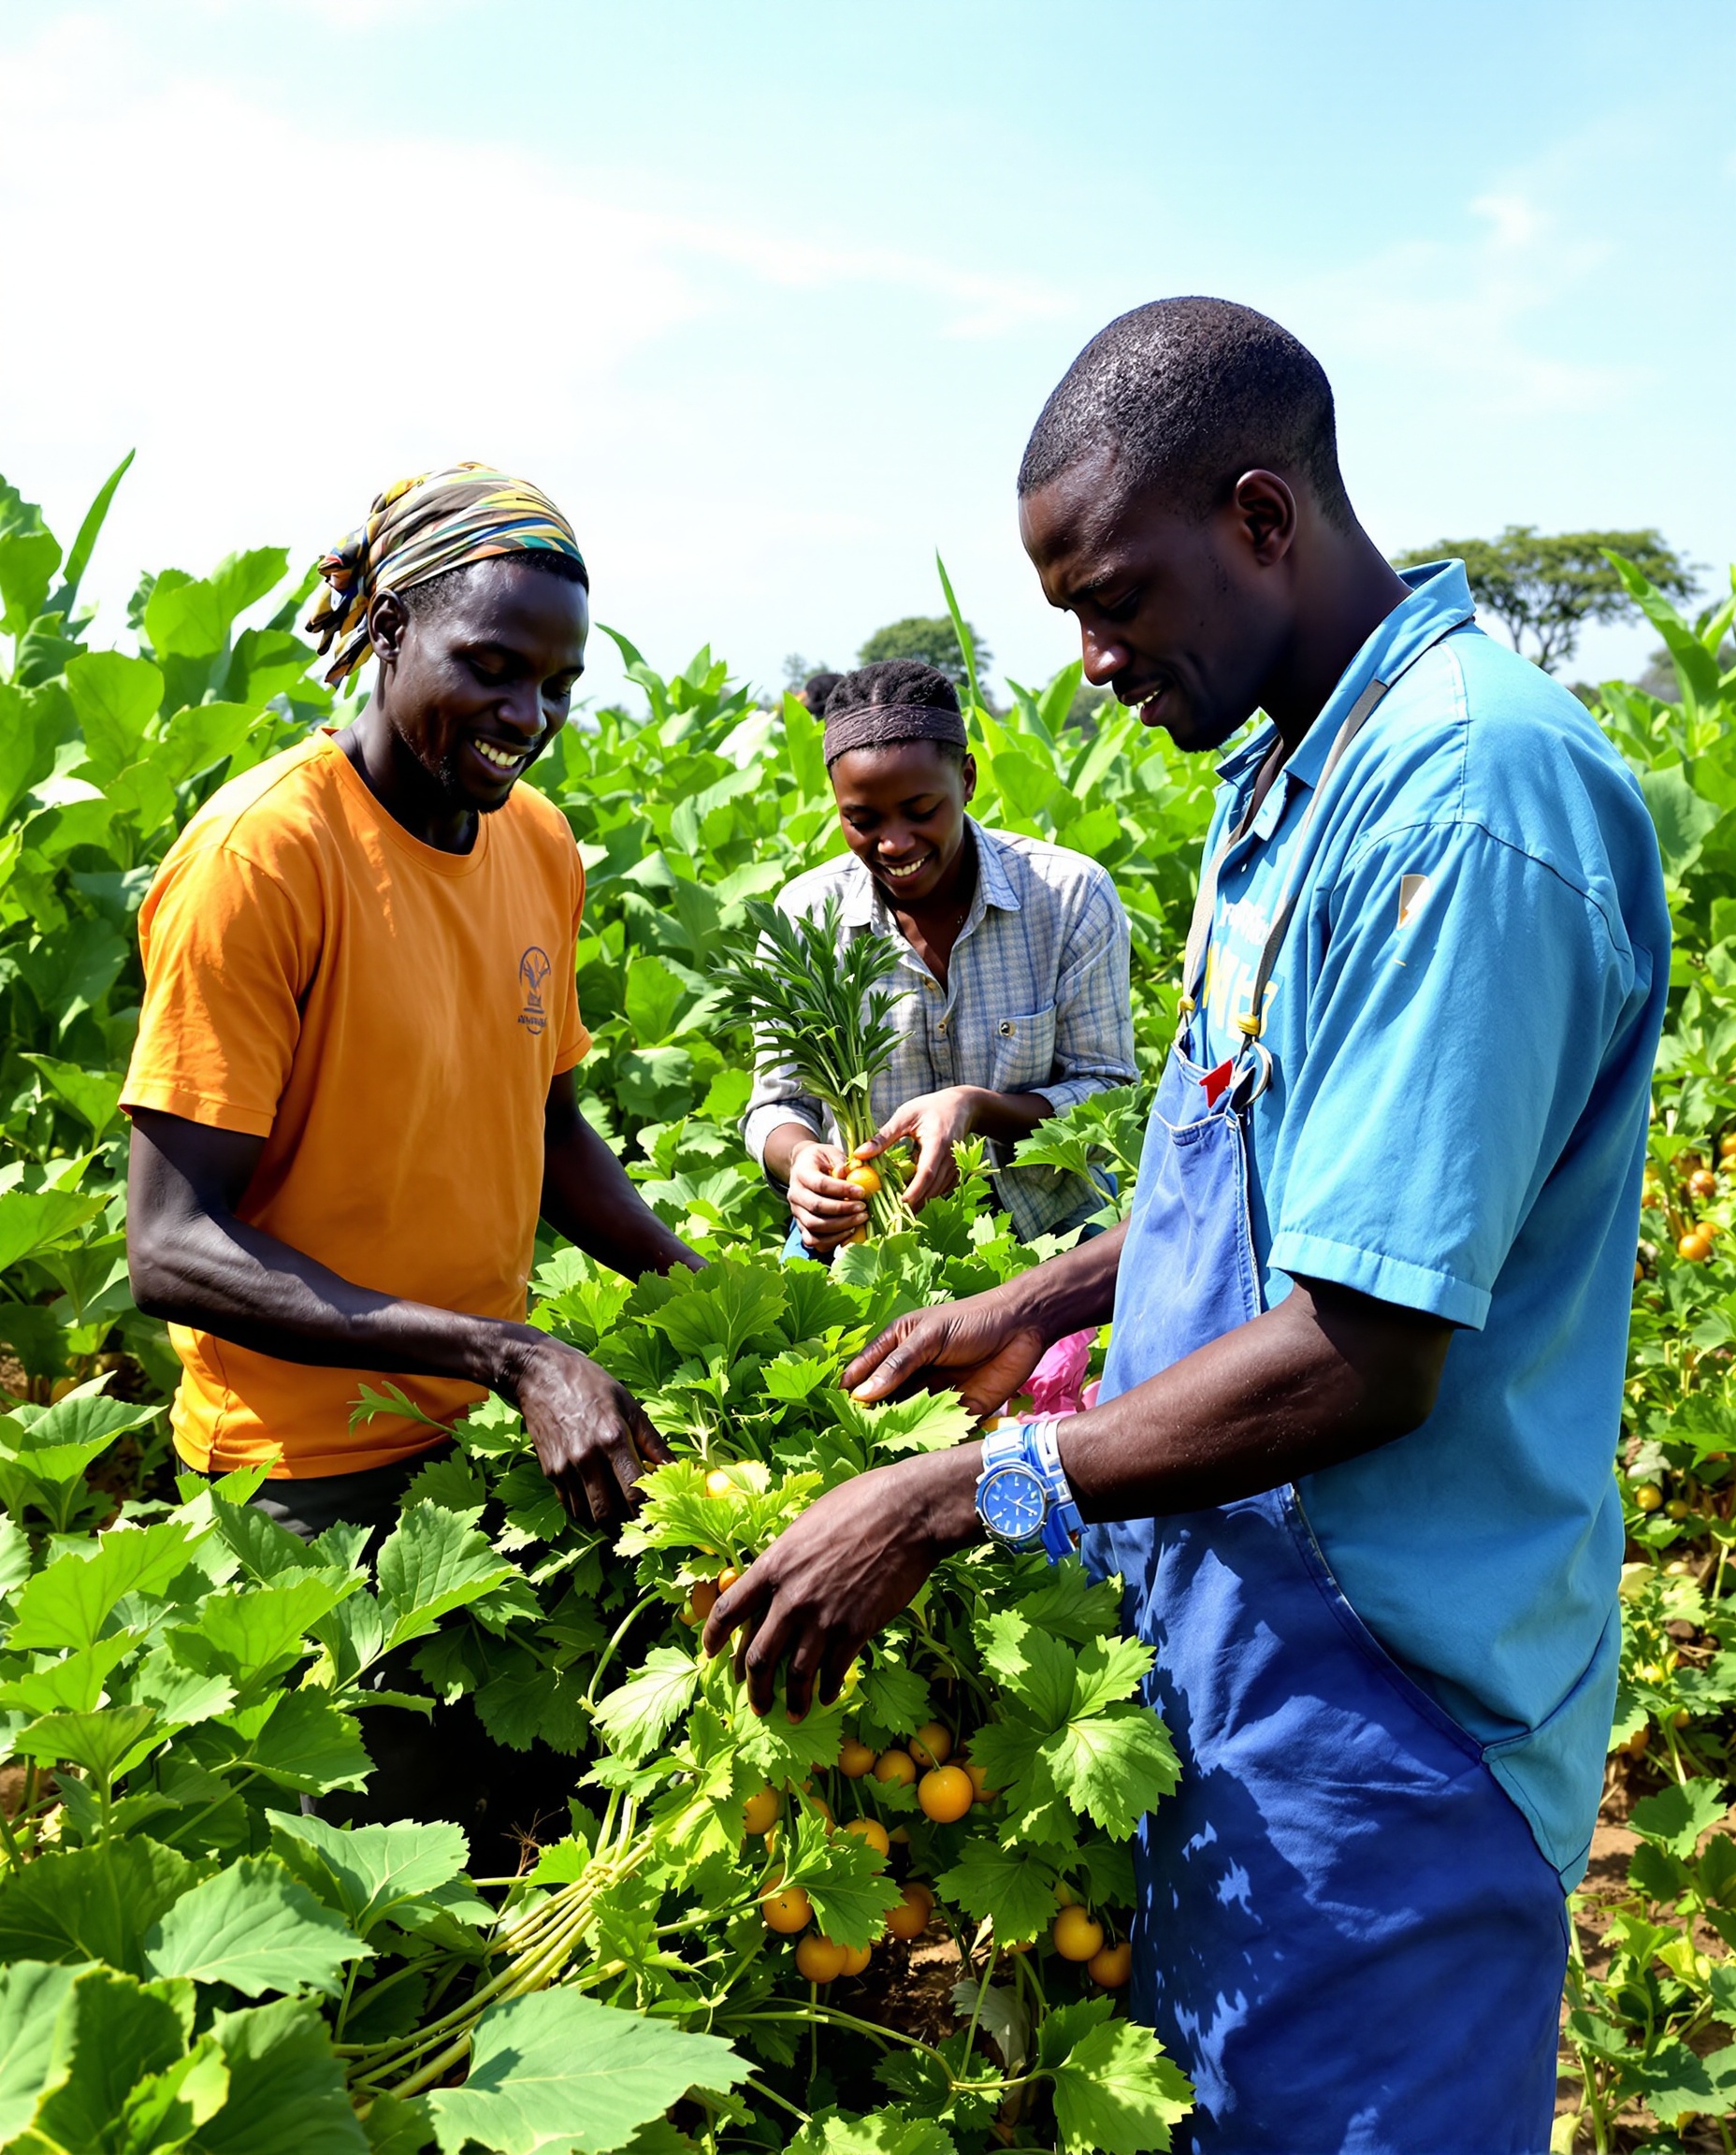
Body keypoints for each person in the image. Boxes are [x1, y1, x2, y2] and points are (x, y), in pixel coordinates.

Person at [707, 301, 1669, 2152]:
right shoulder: (1286, 778)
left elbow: (1364, 1348)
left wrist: (954, 1492)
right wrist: (1045, 1293)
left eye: (1111, 599)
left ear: (1259, 518)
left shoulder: (1463, 804)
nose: (1088, 660)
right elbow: (1275, 1177)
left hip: (1397, 1714)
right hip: (1237, 1641)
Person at [123, 463, 699, 1543]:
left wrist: (710, 1294)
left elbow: (547, 1128)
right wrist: (512, 1354)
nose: (526, 716)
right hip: (303, 1469)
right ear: (390, 628)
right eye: (490, 666)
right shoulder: (265, 857)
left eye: (557, 683)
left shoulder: (537, 841)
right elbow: (169, 1245)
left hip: (488, 1433)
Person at [742, 658, 1136, 1254]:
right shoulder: (804, 917)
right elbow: (776, 1106)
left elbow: (1107, 1093)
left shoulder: (1068, 896)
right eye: (861, 820)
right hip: (864, 1237)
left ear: (967, 780)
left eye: (922, 811)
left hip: (1050, 1228)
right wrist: (800, 1158)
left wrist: (977, 1109)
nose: (895, 843)